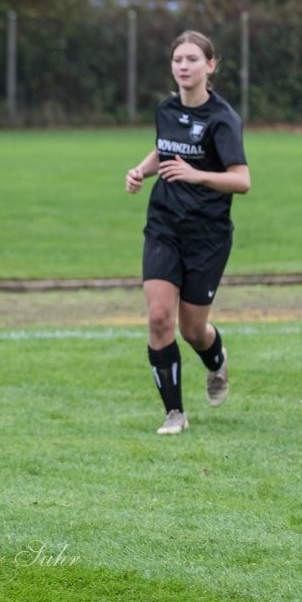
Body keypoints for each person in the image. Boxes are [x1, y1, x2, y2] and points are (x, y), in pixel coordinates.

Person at [125, 30, 250, 435]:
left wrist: (195, 174)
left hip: (207, 235)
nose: (183, 66)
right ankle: (174, 413)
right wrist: (142, 170)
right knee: (160, 317)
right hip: (163, 224)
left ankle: (216, 361)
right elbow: (165, 149)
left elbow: (242, 180)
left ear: (210, 66)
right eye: (178, 59)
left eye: (192, 59)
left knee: (192, 329)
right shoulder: (165, 109)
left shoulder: (223, 119)